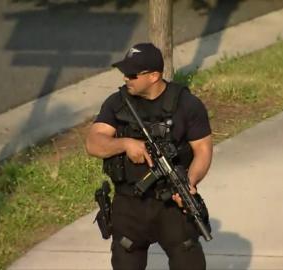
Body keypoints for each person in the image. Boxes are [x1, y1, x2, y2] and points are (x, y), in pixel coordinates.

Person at [86, 42, 213, 270]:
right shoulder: (117, 103)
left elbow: (203, 149)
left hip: (171, 203)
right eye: (124, 73)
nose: (126, 78)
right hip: (129, 204)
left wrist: (190, 182)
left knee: (189, 261)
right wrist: (124, 143)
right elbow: (94, 142)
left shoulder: (187, 104)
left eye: (132, 74)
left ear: (154, 76)